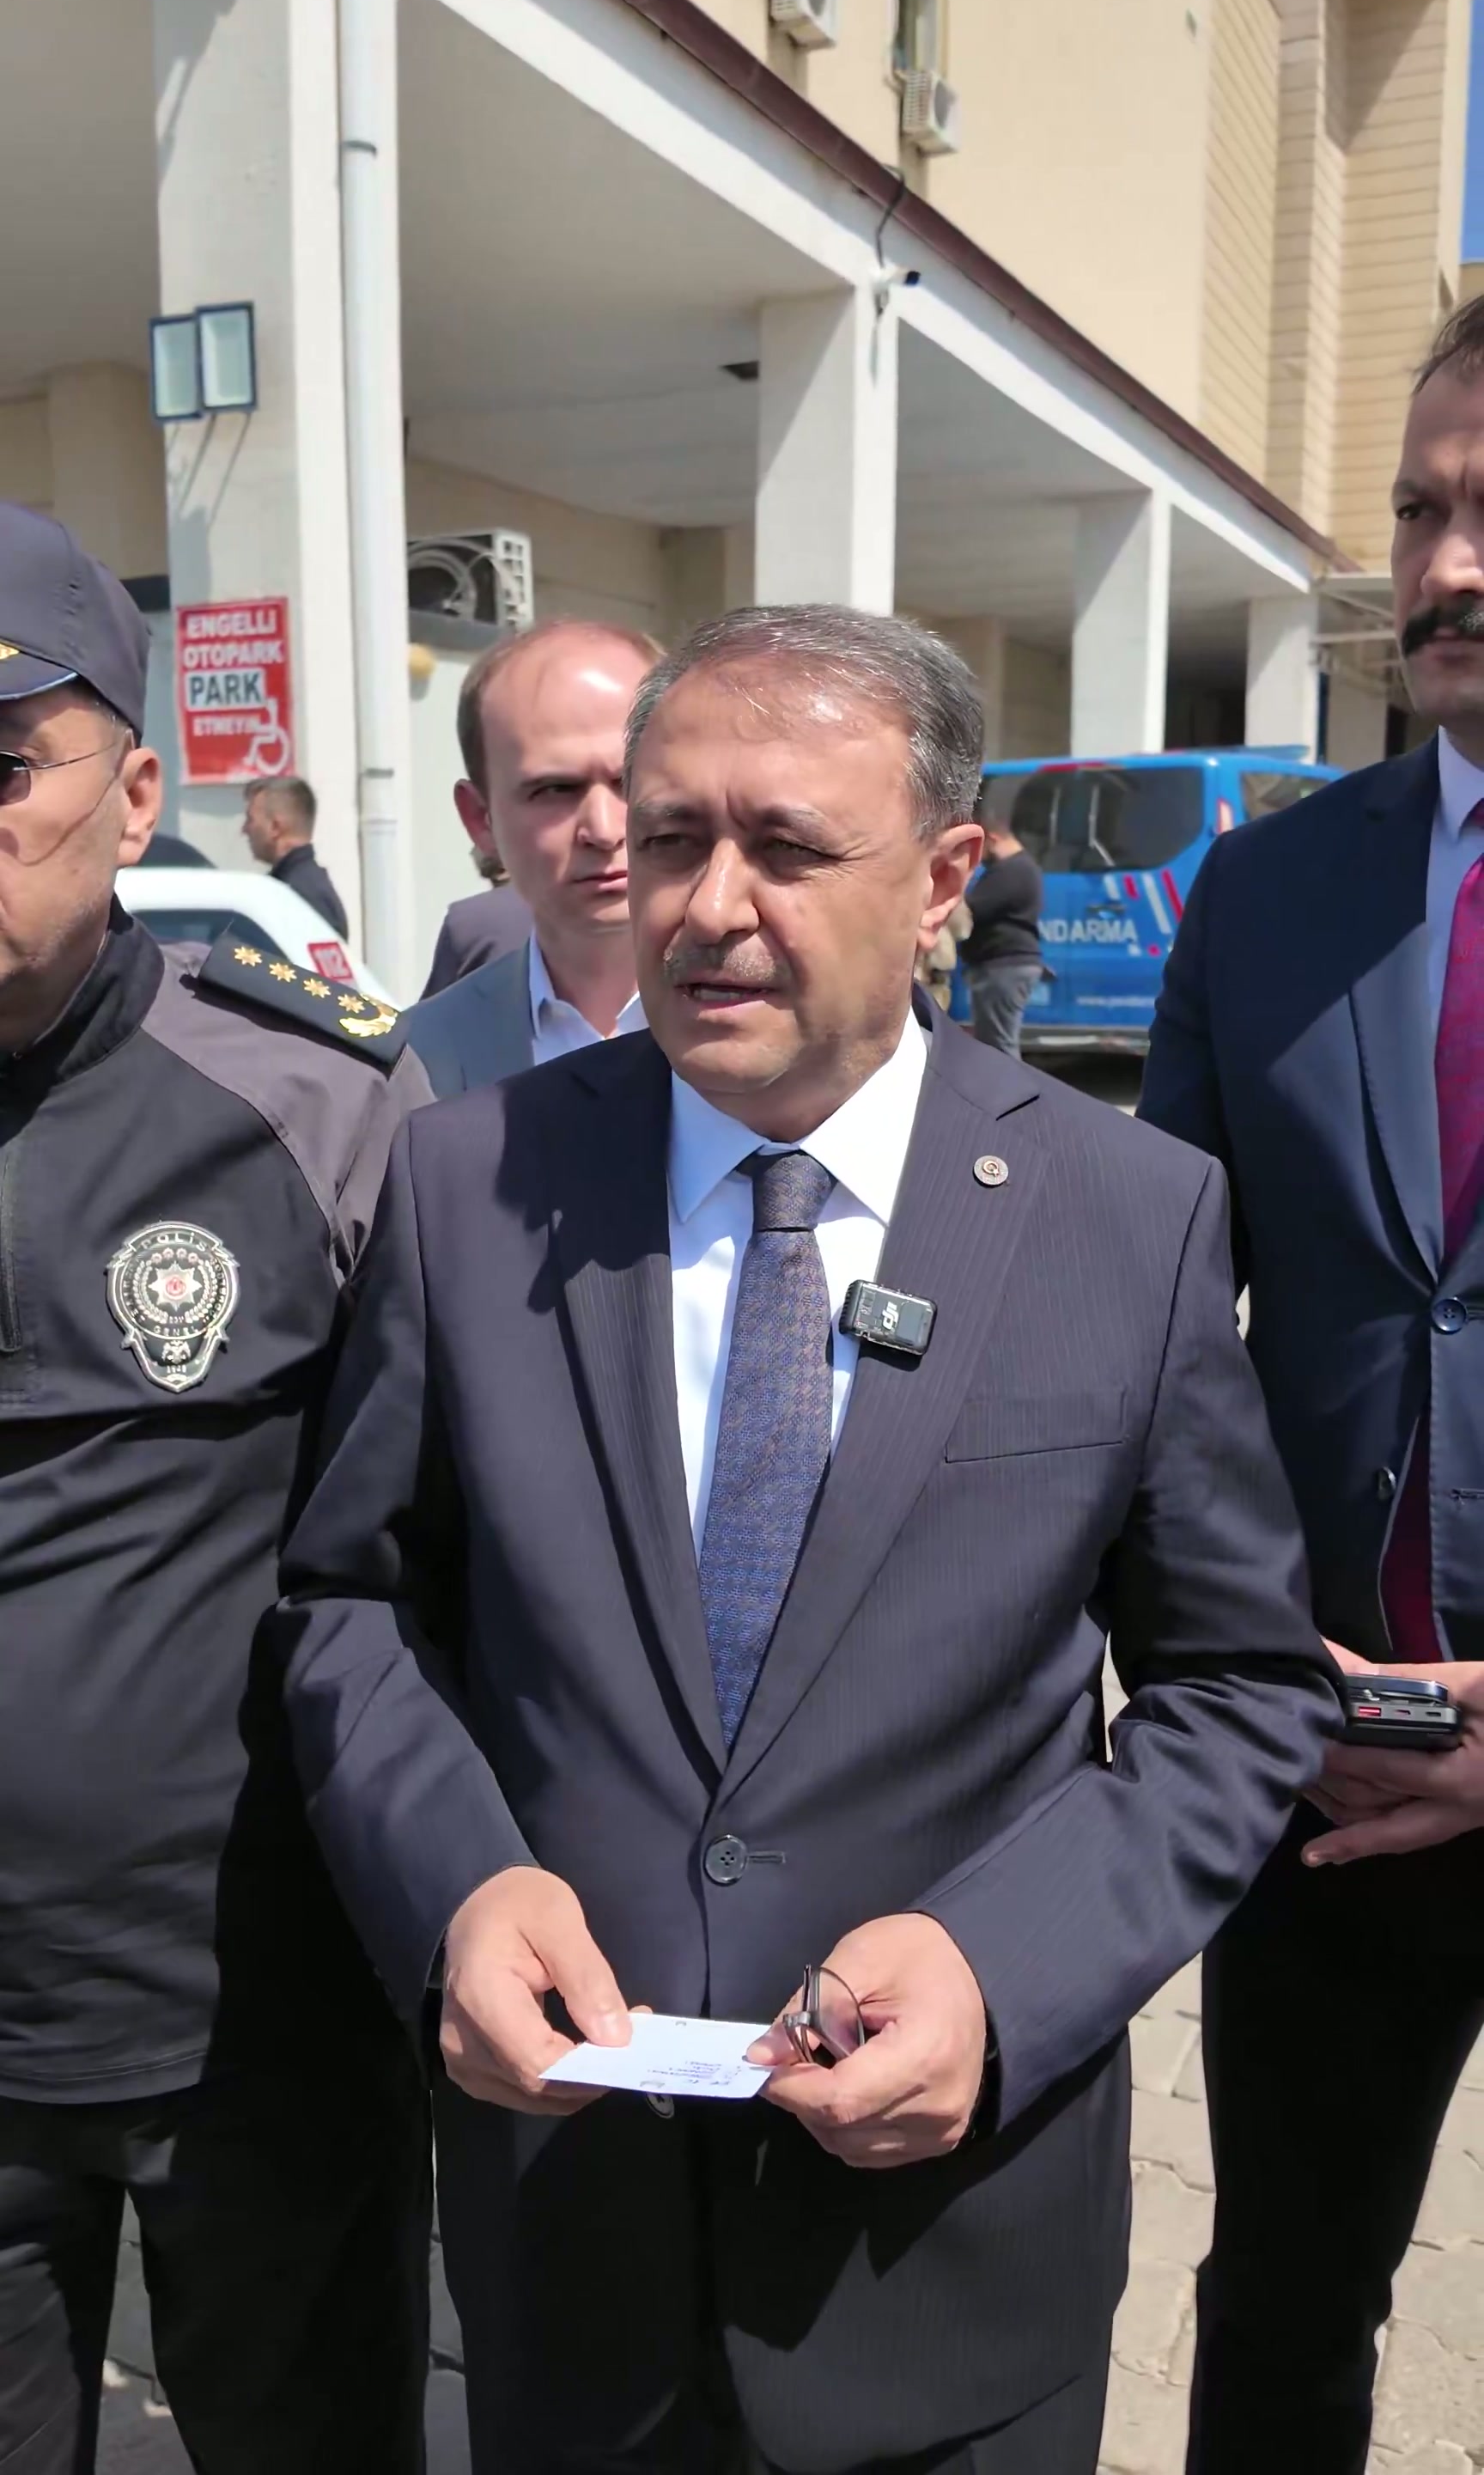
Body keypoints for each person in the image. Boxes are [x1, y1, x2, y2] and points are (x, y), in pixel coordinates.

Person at [279, 601, 1338, 2475]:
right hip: (570, 2244)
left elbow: (1237, 1691)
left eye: (785, 846)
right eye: (673, 836)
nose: (706, 905)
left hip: (944, 2264)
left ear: (941, 879)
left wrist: (1002, 1970)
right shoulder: (470, 1179)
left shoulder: (1129, 1213)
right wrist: (455, 1888)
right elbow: (354, 1603)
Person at [0, 503, 431, 2475]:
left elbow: (443, 1546)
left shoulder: (314, 1102)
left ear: (133, 795)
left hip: (250, 2021)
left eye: (7, 762)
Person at [1139, 289, 1484, 2475]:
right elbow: (1164, 1334)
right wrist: (1241, 1661)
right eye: (1418, 511)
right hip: (1334, 1771)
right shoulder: (1263, 894)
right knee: (1279, 2308)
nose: (1444, 566)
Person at [406, 619, 661, 1092]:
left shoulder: (798, 1030)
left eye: (631, 782)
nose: (604, 831)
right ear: (480, 819)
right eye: (555, 790)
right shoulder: (415, 1064)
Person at [959, 819, 1043, 1057]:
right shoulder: (1022, 868)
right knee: (996, 1041)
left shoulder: (1011, 871)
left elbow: (971, 910)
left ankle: (1007, 1082)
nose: (979, 857)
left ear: (993, 839)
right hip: (1007, 964)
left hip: (1002, 965)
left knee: (998, 1045)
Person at [241, 773, 350, 937]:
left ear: (275, 828)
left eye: (251, 820)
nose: (244, 830)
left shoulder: (301, 896)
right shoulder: (296, 886)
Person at [420, 850, 532, 997]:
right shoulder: (556, 908)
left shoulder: (466, 916)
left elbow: (434, 1005)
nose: (471, 852)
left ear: (503, 871)